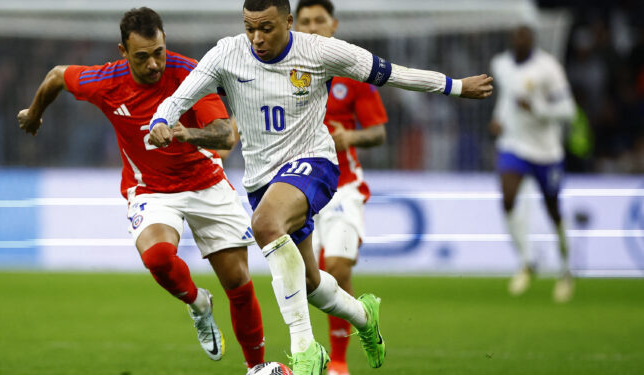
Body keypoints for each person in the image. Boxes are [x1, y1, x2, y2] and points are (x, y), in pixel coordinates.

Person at [145, 1, 493, 373]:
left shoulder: (318, 50)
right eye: (250, 28)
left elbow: (392, 73)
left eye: (266, 28)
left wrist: (455, 86)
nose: (257, 38)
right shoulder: (227, 53)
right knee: (309, 283)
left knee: (264, 225)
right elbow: (180, 97)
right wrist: (161, 120)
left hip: (315, 163)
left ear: (288, 22)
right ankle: (364, 315)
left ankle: (306, 349)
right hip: (263, 180)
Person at [16, 7, 266, 369]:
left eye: (159, 53)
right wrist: (35, 113)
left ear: (166, 43)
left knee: (239, 284)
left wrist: (186, 133)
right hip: (151, 191)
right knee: (157, 258)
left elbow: (225, 134)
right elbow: (57, 76)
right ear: (123, 52)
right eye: (142, 57)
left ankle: (257, 368)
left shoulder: (190, 75)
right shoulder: (107, 80)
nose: (153, 64)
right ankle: (198, 304)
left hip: (207, 184)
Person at [294, 1, 387, 374]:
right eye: (305, 22)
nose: (313, 27)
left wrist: (350, 136)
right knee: (307, 278)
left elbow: (379, 133)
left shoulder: (354, 72)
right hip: (300, 191)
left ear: (333, 25)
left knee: (336, 265)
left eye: (320, 21)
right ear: (293, 25)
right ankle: (355, 323)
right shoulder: (281, 72)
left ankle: (339, 363)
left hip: (344, 189)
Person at [489, 25, 576, 303]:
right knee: (508, 198)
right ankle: (527, 262)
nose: (518, 42)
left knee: (553, 210)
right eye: (515, 37)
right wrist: (499, 118)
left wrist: (537, 109)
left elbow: (568, 110)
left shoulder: (548, 68)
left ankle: (565, 270)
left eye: (523, 38)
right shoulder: (501, 65)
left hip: (546, 152)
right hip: (514, 145)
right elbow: (506, 97)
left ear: (532, 42)